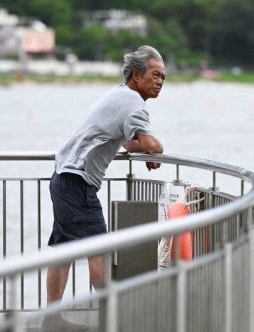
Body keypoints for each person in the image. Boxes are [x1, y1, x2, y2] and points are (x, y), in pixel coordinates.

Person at [44, 46, 165, 329]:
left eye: (164, 78)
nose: (160, 82)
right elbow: (148, 144)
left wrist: (144, 148)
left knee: (63, 252)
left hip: (64, 178)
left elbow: (127, 143)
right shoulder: (133, 102)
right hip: (78, 183)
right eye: (155, 75)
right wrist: (157, 148)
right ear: (136, 75)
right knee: (100, 251)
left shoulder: (119, 95)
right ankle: (116, 321)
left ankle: (51, 321)